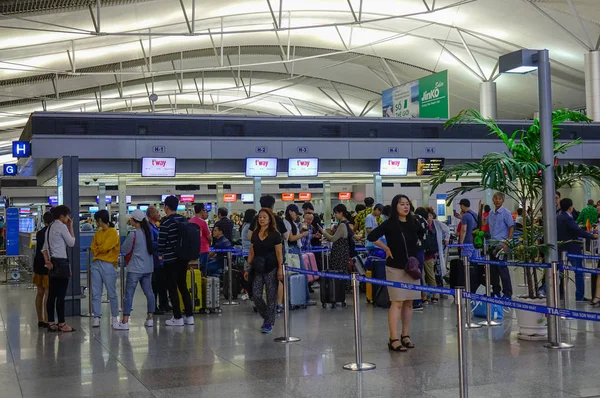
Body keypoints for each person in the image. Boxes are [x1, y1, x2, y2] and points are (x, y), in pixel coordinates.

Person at [367, 194, 425, 352]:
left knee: (409, 302)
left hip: (411, 268)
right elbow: (371, 236)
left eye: (407, 204)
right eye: (401, 204)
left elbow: (422, 236)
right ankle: (393, 337)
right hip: (395, 267)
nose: (405, 207)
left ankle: (405, 335)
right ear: (395, 207)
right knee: (397, 302)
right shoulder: (390, 224)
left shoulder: (414, 223)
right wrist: (386, 248)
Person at [114, 210, 155, 330]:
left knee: (129, 294)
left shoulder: (133, 234)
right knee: (149, 293)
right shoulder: (149, 233)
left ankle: (125, 321)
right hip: (148, 268)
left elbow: (125, 249)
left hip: (135, 269)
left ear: (135, 221)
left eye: (130, 219)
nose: (129, 220)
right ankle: (150, 318)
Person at [245, 208, 284, 333]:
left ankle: (268, 323)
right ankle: (268, 316)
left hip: (271, 268)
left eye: (264, 217)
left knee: (271, 296)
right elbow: (251, 252)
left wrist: (280, 269)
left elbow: (279, 254)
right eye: (260, 217)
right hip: (258, 268)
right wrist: (247, 268)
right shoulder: (255, 234)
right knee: (256, 295)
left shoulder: (275, 235)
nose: (261, 219)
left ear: (269, 219)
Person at [158, 196, 194, 326]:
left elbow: (161, 243)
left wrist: (160, 252)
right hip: (183, 259)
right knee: (183, 286)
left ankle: (177, 317)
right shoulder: (183, 219)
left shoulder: (165, 222)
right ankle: (189, 316)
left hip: (171, 259)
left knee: (172, 288)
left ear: (166, 207)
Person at [42, 205, 76, 332]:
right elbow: (71, 242)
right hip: (61, 264)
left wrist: (47, 261)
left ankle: (51, 322)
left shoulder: (49, 227)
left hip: (52, 264)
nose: (68, 218)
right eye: (67, 216)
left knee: (51, 295)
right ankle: (62, 323)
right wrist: (70, 227)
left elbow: (44, 248)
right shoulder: (61, 226)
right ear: (62, 216)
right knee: (61, 295)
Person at [557, 198, 597, 303]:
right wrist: (592, 236)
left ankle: (561, 294)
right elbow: (577, 230)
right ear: (571, 207)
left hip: (561, 248)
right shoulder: (567, 218)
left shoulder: (558, 217)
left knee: (561, 272)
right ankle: (579, 296)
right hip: (572, 248)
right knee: (579, 272)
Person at [90, 210, 120, 328]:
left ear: (100, 220)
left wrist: (98, 249)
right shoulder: (97, 233)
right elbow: (93, 247)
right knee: (96, 292)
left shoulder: (113, 233)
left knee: (111, 293)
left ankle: (114, 317)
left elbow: (105, 247)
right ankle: (96, 316)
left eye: (96, 220)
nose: (95, 222)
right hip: (96, 264)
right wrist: (99, 249)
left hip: (109, 264)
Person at [284, 204, 315, 306]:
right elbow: (291, 238)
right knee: (301, 274)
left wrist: (300, 231)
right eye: (296, 213)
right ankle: (304, 299)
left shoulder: (292, 223)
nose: (297, 216)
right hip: (293, 250)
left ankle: (300, 298)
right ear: (290, 212)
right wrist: (302, 234)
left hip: (296, 249)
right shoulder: (287, 223)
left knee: (300, 275)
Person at [487, 192, 514, 299]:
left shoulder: (506, 213)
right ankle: (496, 291)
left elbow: (511, 227)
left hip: (501, 245)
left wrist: (507, 243)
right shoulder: (491, 213)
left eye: (499, 199)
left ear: (503, 200)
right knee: (493, 271)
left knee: (503, 270)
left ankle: (507, 293)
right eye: (495, 198)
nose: (497, 200)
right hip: (492, 245)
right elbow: (485, 225)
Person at [147, 206, 170, 314]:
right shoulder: (149, 228)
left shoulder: (155, 227)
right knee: (155, 284)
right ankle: (153, 307)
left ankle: (164, 304)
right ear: (151, 215)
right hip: (154, 259)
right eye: (157, 212)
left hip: (160, 258)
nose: (159, 214)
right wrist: (162, 243)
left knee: (162, 282)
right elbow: (151, 244)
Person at [33, 211, 53, 328]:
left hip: (38, 264)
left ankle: (40, 319)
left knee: (39, 292)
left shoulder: (39, 233)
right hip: (47, 264)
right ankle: (47, 319)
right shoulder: (51, 233)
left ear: (44, 221)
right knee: (47, 293)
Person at [319, 204, 353, 273]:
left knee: (338, 271)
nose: (335, 215)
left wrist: (323, 232)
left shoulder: (342, 225)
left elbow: (333, 239)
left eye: (336, 213)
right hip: (343, 252)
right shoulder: (345, 223)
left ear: (341, 213)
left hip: (339, 253)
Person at [190, 203, 212, 270]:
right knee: (203, 270)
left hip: (193, 250)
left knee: (195, 270)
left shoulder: (190, 221)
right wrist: (210, 243)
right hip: (203, 249)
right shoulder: (203, 222)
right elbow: (209, 237)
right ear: (202, 211)